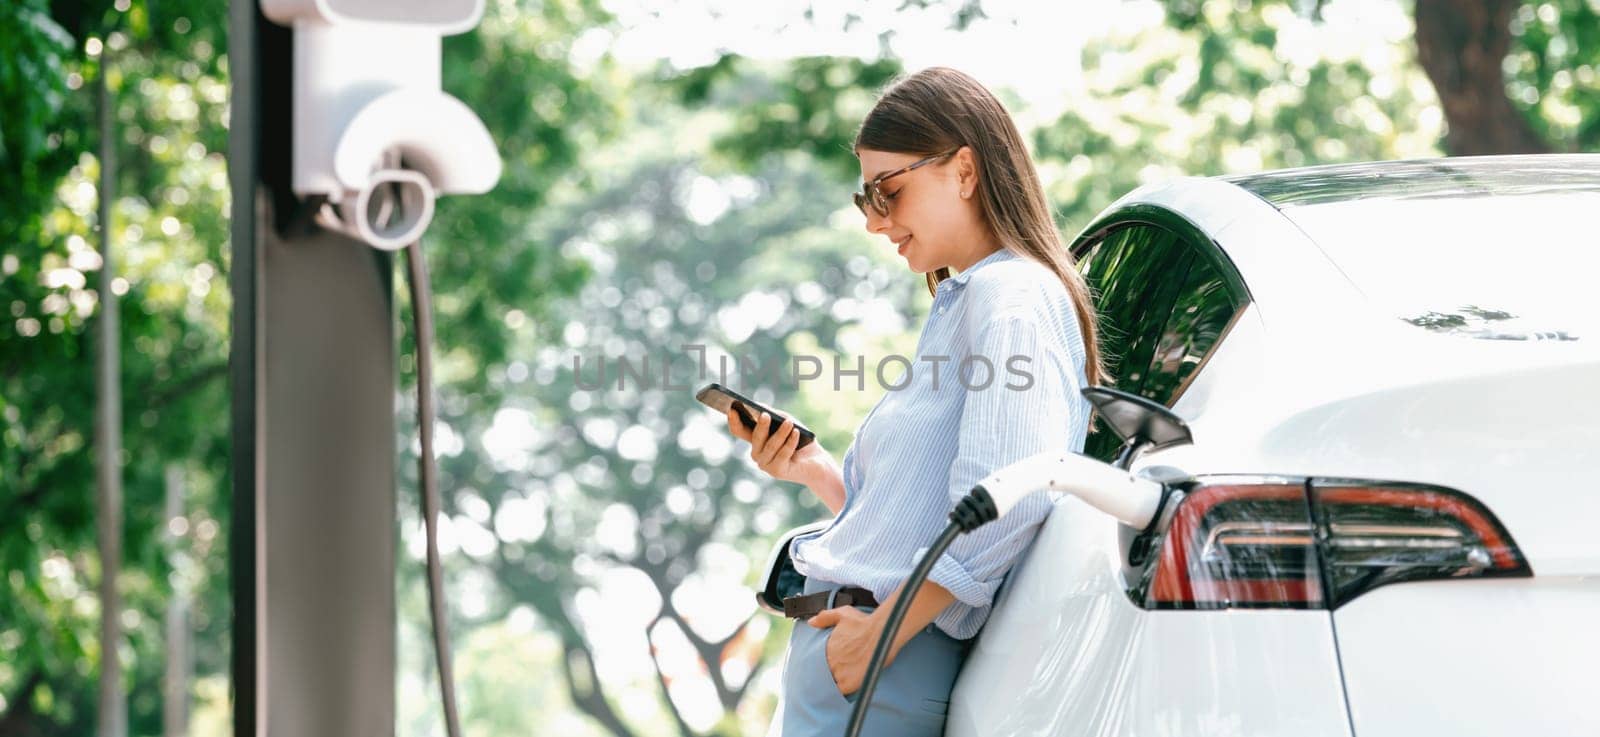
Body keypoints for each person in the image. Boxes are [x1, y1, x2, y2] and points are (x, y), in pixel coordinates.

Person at [726, 66, 1108, 736]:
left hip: (880, 667)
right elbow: (924, 523)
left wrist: (878, 636)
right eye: (865, 199)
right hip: (863, 671)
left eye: (889, 192)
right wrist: (815, 469)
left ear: (964, 169)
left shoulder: (1009, 296)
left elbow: (1007, 498)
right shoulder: (971, 298)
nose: (876, 221)